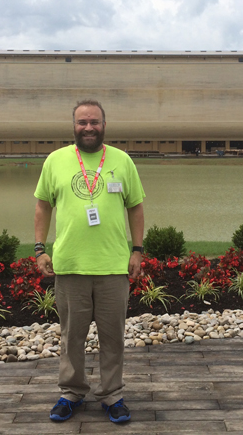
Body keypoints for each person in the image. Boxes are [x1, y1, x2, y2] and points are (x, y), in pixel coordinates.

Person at [34, 99, 145, 424]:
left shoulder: (122, 161)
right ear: (74, 125)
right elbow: (42, 206)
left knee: (113, 338)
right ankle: (71, 393)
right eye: (82, 122)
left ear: (104, 125)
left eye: (94, 122)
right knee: (71, 337)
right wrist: (40, 249)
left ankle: (112, 395)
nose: (88, 127)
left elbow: (135, 207)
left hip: (113, 267)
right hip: (69, 267)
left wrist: (137, 250)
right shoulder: (56, 161)